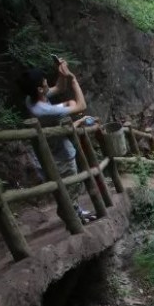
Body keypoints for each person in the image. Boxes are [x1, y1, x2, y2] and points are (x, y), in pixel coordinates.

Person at [22, 59, 94, 222]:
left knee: (69, 188)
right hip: (60, 156)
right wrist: (73, 79)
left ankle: (76, 213)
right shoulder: (44, 110)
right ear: (40, 88)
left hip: (51, 150)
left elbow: (60, 87)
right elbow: (82, 105)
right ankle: (74, 220)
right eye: (45, 81)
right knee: (70, 188)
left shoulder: (31, 99)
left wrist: (62, 73)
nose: (47, 81)